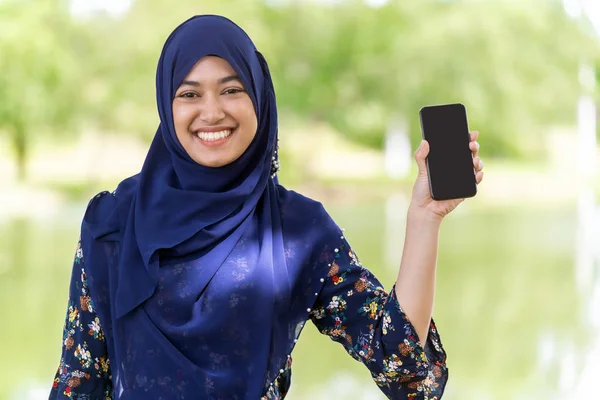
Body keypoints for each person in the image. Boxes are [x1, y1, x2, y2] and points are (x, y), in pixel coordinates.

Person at [49, 15, 484, 400]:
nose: (212, 112)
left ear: (258, 96)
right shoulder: (112, 225)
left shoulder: (298, 232)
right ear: (167, 104)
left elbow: (405, 371)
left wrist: (425, 219)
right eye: (190, 94)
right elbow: (78, 382)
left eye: (232, 89)